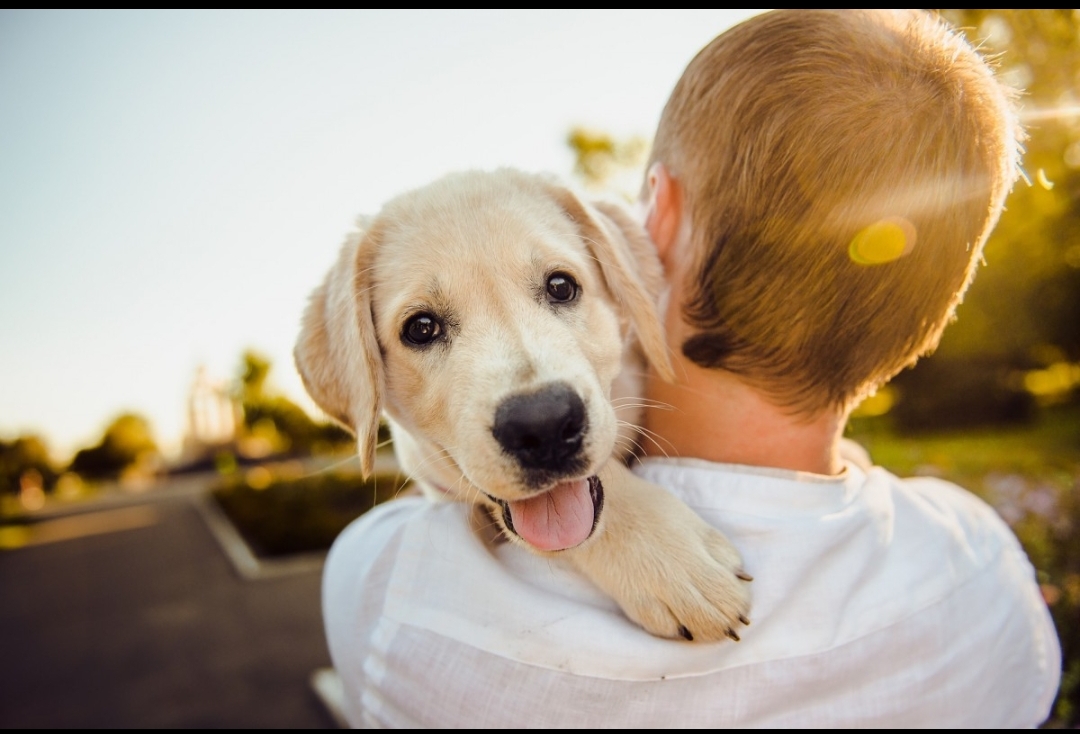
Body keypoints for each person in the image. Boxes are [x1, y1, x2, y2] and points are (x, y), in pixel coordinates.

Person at [322, 9, 1061, 727]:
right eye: (425, 328)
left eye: (559, 288)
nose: (534, 395)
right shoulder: (983, 567)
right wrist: (614, 516)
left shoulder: (389, 590)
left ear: (655, 224)